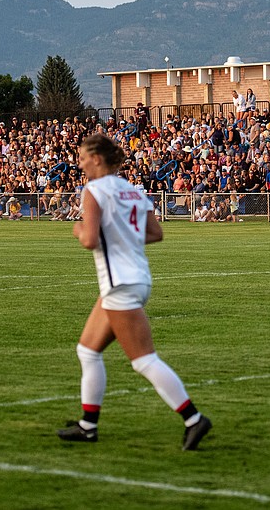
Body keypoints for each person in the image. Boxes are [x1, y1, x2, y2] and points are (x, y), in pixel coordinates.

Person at [57, 133, 212, 451]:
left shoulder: (94, 190)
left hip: (120, 283)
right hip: (135, 278)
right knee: (87, 351)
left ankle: (193, 419)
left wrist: (77, 229)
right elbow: (156, 233)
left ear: (97, 158)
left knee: (143, 360)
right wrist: (123, 236)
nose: (80, 162)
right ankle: (88, 426)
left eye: (83, 157)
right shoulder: (133, 190)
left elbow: (88, 239)